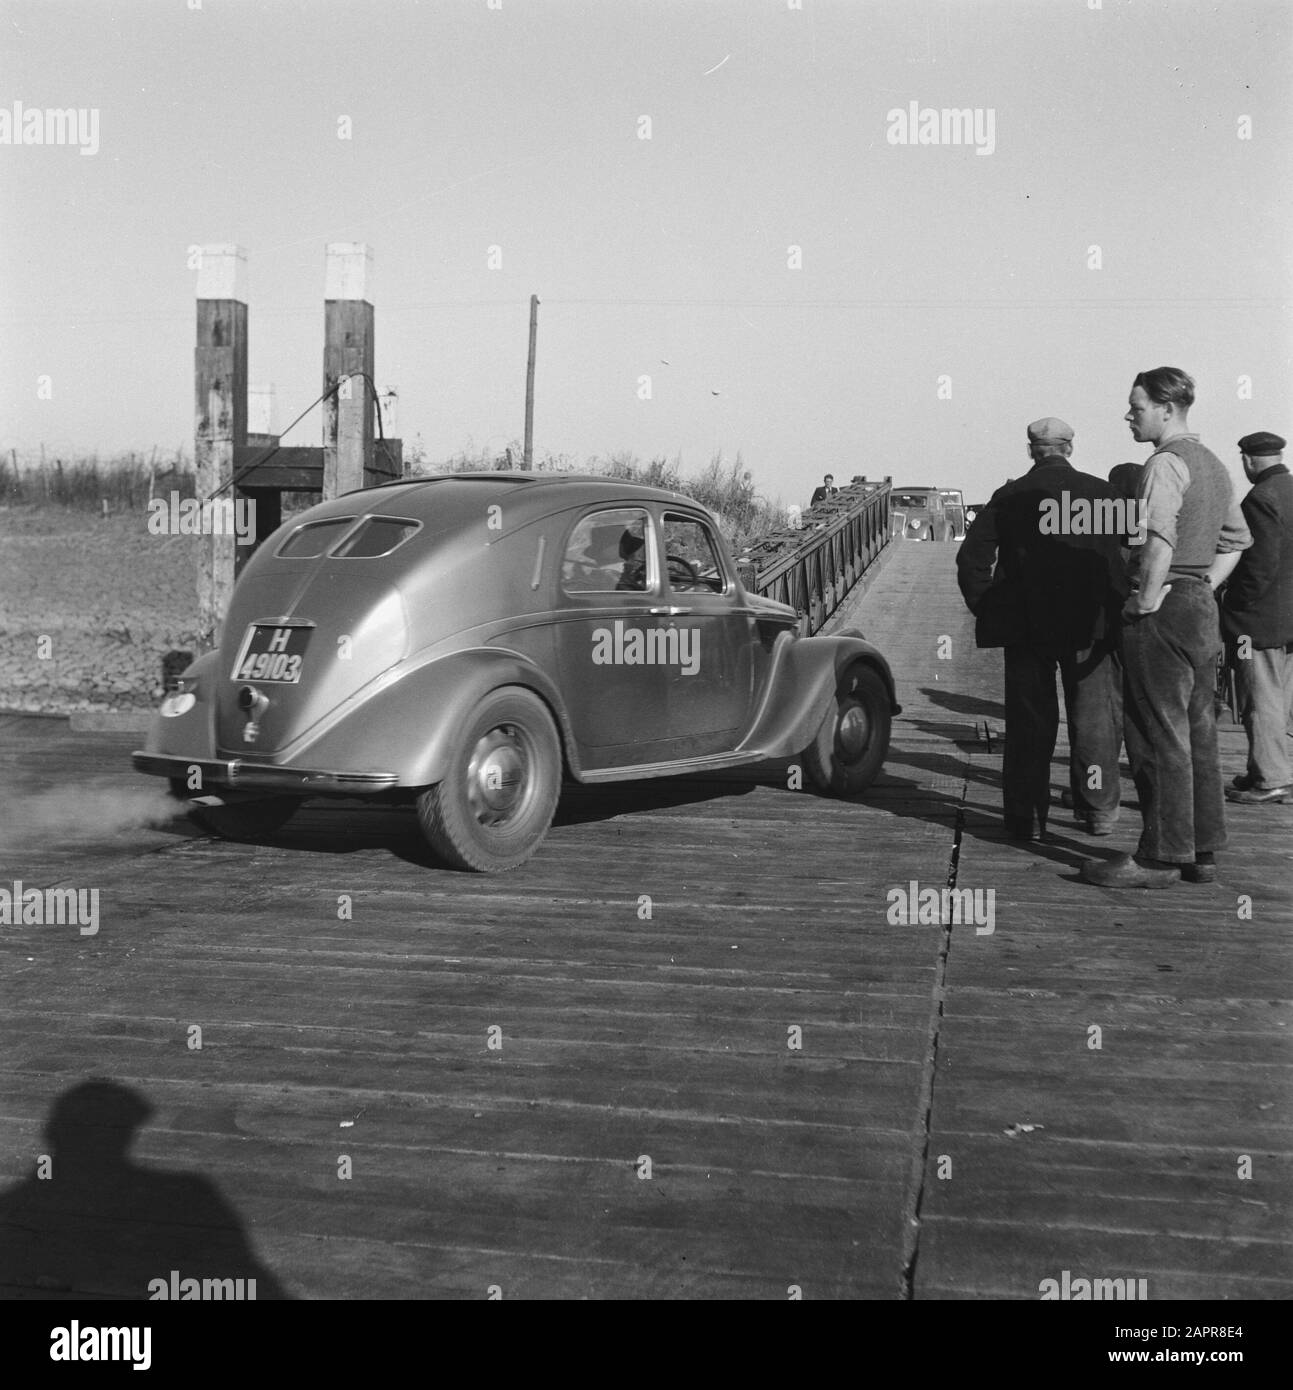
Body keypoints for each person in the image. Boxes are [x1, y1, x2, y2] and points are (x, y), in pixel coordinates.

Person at [1082, 368, 1252, 888]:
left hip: (1164, 608)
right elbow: (1237, 541)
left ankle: (1159, 856)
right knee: (1199, 731)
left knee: (1157, 733)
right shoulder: (1216, 465)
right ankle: (1200, 850)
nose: (1129, 416)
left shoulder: (1164, 464)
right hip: (1200, 606)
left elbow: (1159, 538)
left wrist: (1147, 598)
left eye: (1135, 407)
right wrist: (1200, 582)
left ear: (1164, 408)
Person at [957, 417, 1128, 840]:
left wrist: (990, 610)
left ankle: (1026, 818)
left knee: (1029, 723)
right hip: (1091, 625)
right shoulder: (1104, 495)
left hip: (1027, 626)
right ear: (1069, 448)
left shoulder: (1010, 495)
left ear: (1032, 450)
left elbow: (971, 561)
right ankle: (1098, 810)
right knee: (1092, 722)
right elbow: (1129, 558)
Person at [1220, 431, 1293, 803]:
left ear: (1248, 460)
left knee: (1257, 699)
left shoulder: (1261, 498)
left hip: (1255, 625)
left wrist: (1230, 601)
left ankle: (1271, 778)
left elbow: (1258, 567)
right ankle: (1263, 768)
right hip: (1288, 624)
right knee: (1279, 700)